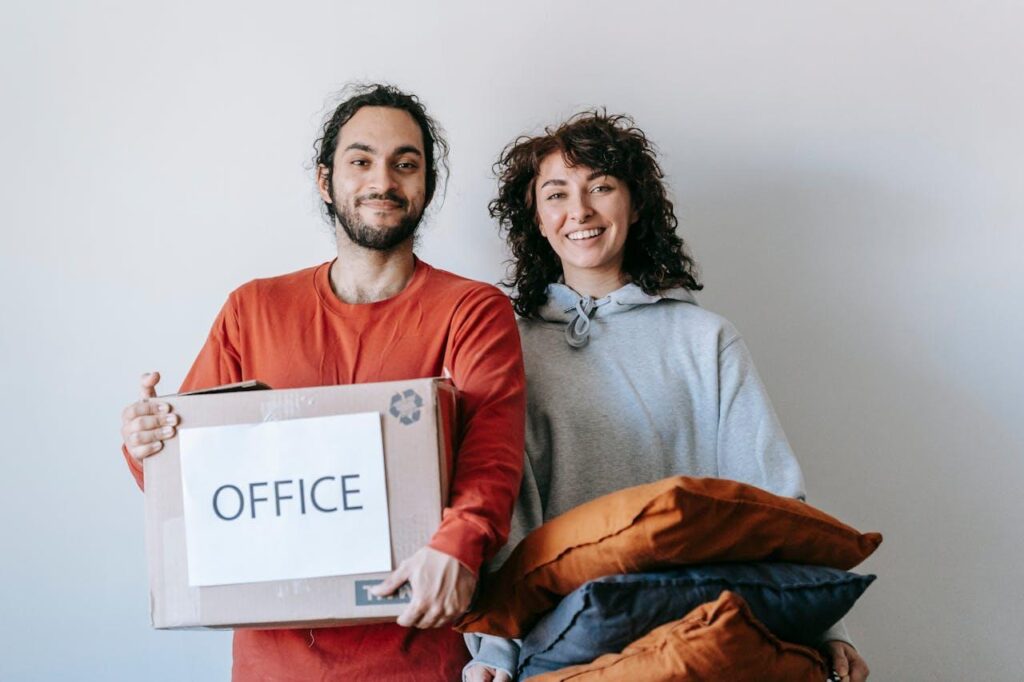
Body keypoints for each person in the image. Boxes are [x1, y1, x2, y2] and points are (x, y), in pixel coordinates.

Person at [119, 83, 526, 681]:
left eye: (405, 164)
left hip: (422, 656)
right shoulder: (252, 309)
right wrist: (146, 441)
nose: (382, 180)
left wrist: (458, 543)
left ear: (426, 186)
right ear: (324, 180)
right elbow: (185, 475)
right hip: (273, 663)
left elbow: (491, 459)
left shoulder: (473, 309)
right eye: (360, 160)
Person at [464, 112, 870, 682]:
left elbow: (771, 499)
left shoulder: (706, 339)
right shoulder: (511, 348)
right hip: (565, 644)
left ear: (634, 204)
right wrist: (492, 657)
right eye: (556, 193)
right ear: (536, 218)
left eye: (600, 187)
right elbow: (506, 514)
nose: (579, 211)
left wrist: (827, 628)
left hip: (701, 633)